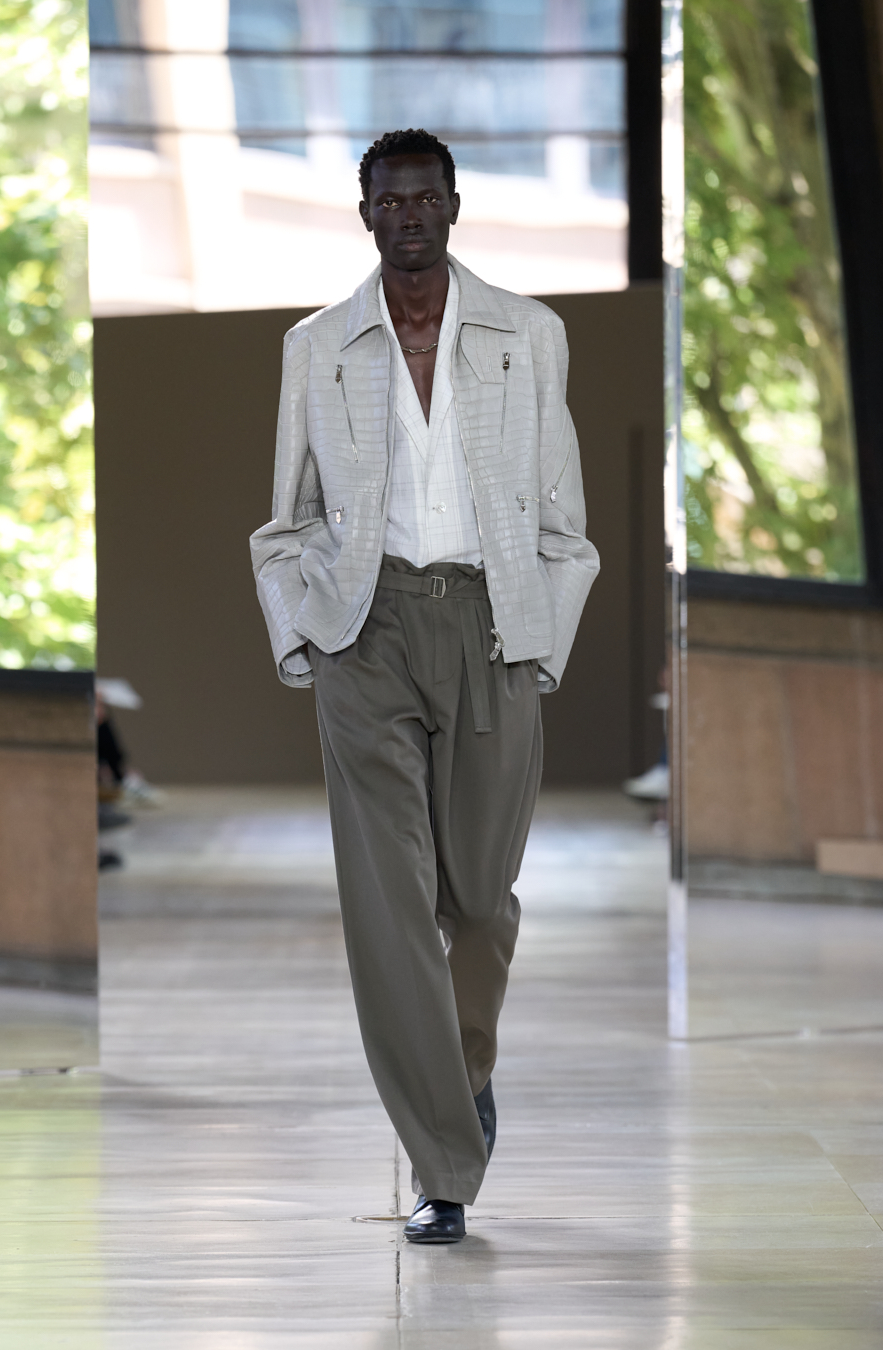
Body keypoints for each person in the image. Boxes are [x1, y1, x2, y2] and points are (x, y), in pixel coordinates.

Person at [250, 128, 599, 1244]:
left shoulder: (529, 336)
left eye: (425, 198)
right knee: (389, 904)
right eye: (388, 200)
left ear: (454, 206)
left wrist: (543, 640)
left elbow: (563, 517)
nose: (408, 216)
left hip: (492, 625)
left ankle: (465, 1069)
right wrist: (305, 635)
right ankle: (443, 1162)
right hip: (368, 629)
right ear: (364, 214)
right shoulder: (317, 347)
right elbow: (287, 518)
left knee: (480, 902)